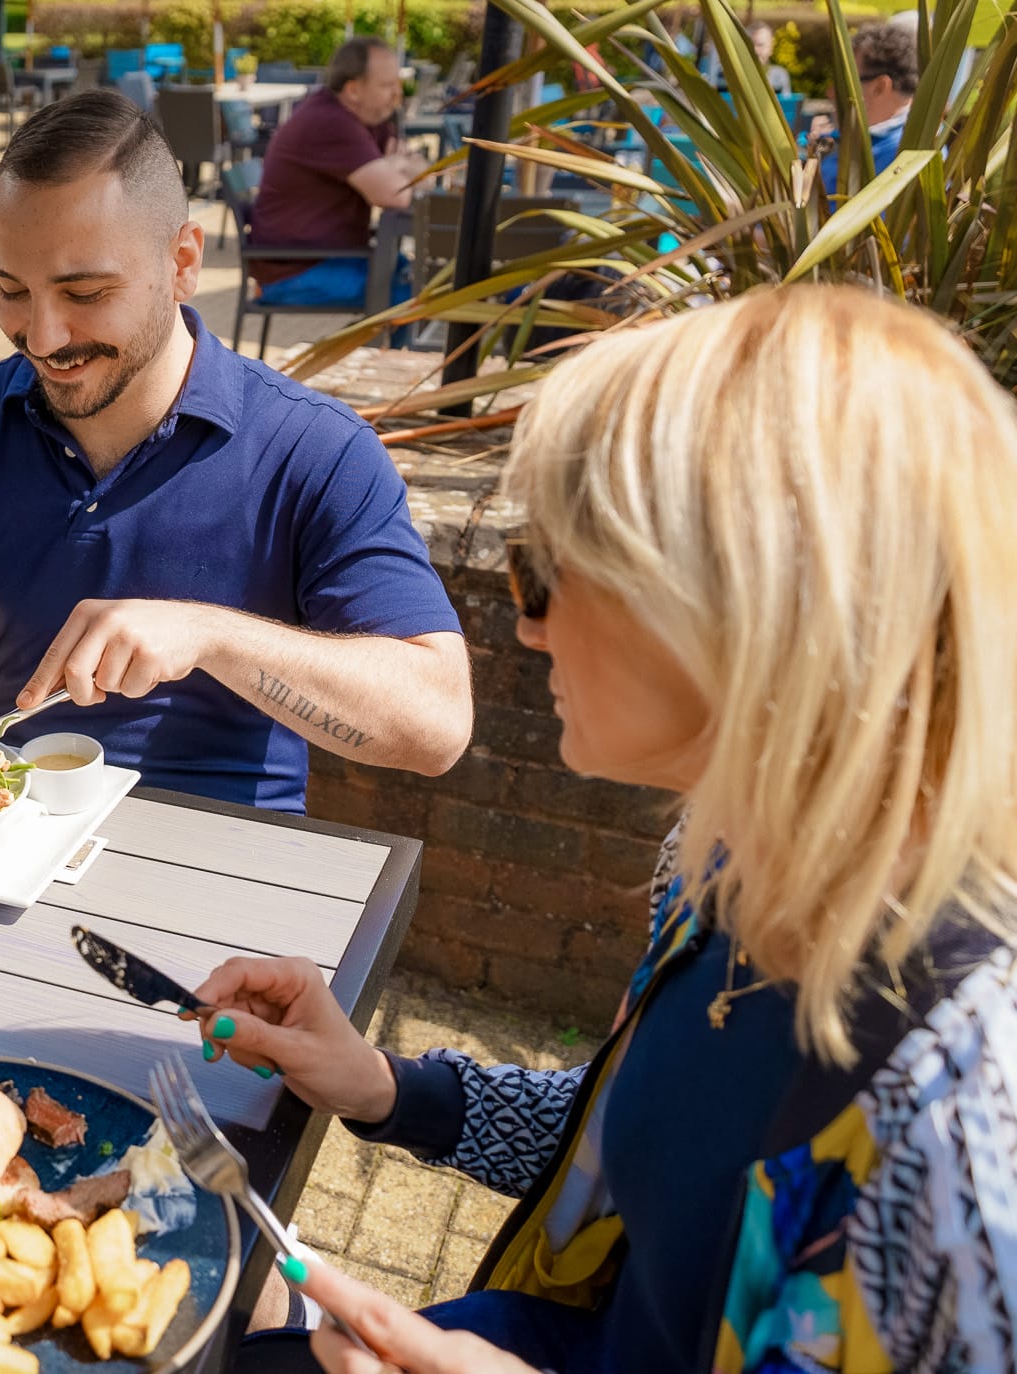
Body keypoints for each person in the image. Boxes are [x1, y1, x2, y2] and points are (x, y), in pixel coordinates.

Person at [192, 285, 1017, 1372]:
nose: (524, 625)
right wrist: (385, 1087)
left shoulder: (959, 1130)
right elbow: (634, 1145)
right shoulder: (727, 856)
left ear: (727, 613)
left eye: (547, 572)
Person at [0, 91, 471, 812]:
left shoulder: (314, 448)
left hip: (224, 862)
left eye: (85, 293)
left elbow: (438, 726)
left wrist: (210, 635)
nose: (42, 338)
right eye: (11, 290)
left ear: (182, 261)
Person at [248, 38, 426, 308]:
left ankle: (382, 347)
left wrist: (395, 165)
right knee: (411, 295)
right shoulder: (331, 122)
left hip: (333, 256)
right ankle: (384, 350)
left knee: (423, 278)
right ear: (354, 90)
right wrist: (398, 165)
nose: (397, 94)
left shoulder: (370, 120)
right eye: (387, 85)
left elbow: (427, 173)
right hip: (295, 272)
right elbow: (396, 195)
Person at [813, 22, 916, 191]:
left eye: (843, 81)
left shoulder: (906, 157)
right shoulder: (865, 139)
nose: (830, 92)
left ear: (880, 86)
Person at [749, 21, 792, 96]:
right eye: (750, 45)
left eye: (760, 45)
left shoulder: (779, 76)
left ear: (771, 48)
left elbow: (785, 105)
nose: (755, 50)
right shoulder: (732, 76)